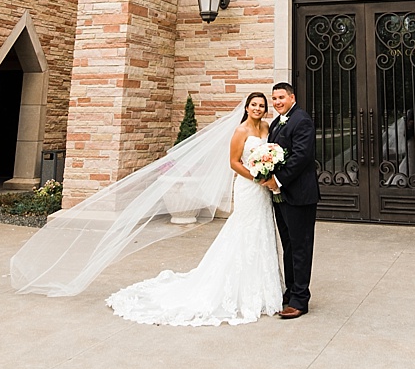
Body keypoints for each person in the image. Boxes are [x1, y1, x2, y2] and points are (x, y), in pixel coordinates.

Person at [104, 91, 282, 326]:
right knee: (244, 230)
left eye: (261, 105)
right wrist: (256, 177)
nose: (258, 109)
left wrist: (267, 174)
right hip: (248, 187)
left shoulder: (267, 128)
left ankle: (261, 288)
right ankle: (235, 288)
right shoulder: (241, 131)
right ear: (246, 108)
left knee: (262, 230)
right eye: (254, 105)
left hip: (263, 190)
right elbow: (234, 163)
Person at [262, 81, 318, 318]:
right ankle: (290, 292)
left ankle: (300, 299)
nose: (277, 102)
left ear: (292, 97)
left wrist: (279, 180)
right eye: (274, 99)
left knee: (301, 247)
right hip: (281, 197)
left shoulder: (301, 120)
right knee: (288, 245)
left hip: (299, 195)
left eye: (281, 98)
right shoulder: (276, 123)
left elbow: (301, 156)